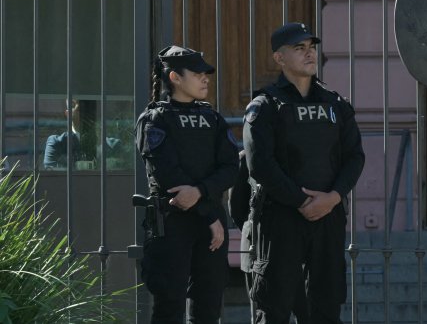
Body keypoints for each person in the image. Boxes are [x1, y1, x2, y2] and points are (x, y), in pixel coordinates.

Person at [243, 22, 365, 324]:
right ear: (279, 58)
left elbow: (354, 157)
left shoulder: (336, 103)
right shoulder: (266, 105)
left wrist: (333, 197)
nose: (309, 53)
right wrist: (300, 201)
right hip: (281, 217)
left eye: (311, 47)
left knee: (325, 306)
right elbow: (260, 164)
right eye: (299, 48)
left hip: (328, 216)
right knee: (275, 306)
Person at [134, 45, 239, 324]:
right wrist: (208, 214)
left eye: (206, 73)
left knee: (208, 308)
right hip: (173, 224)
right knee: (169, 307)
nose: (205, 78)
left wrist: (203, 195)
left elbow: (231, 167)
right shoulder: (154, 119)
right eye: (197, 73)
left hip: (211, 224)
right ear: (175, 78)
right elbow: (167, 175)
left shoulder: (212, 118)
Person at [43, 99, 84, 169]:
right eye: (75, 105)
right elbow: (50, 174)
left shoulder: (105, 143)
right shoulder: (57, 142)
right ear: (68, 114)